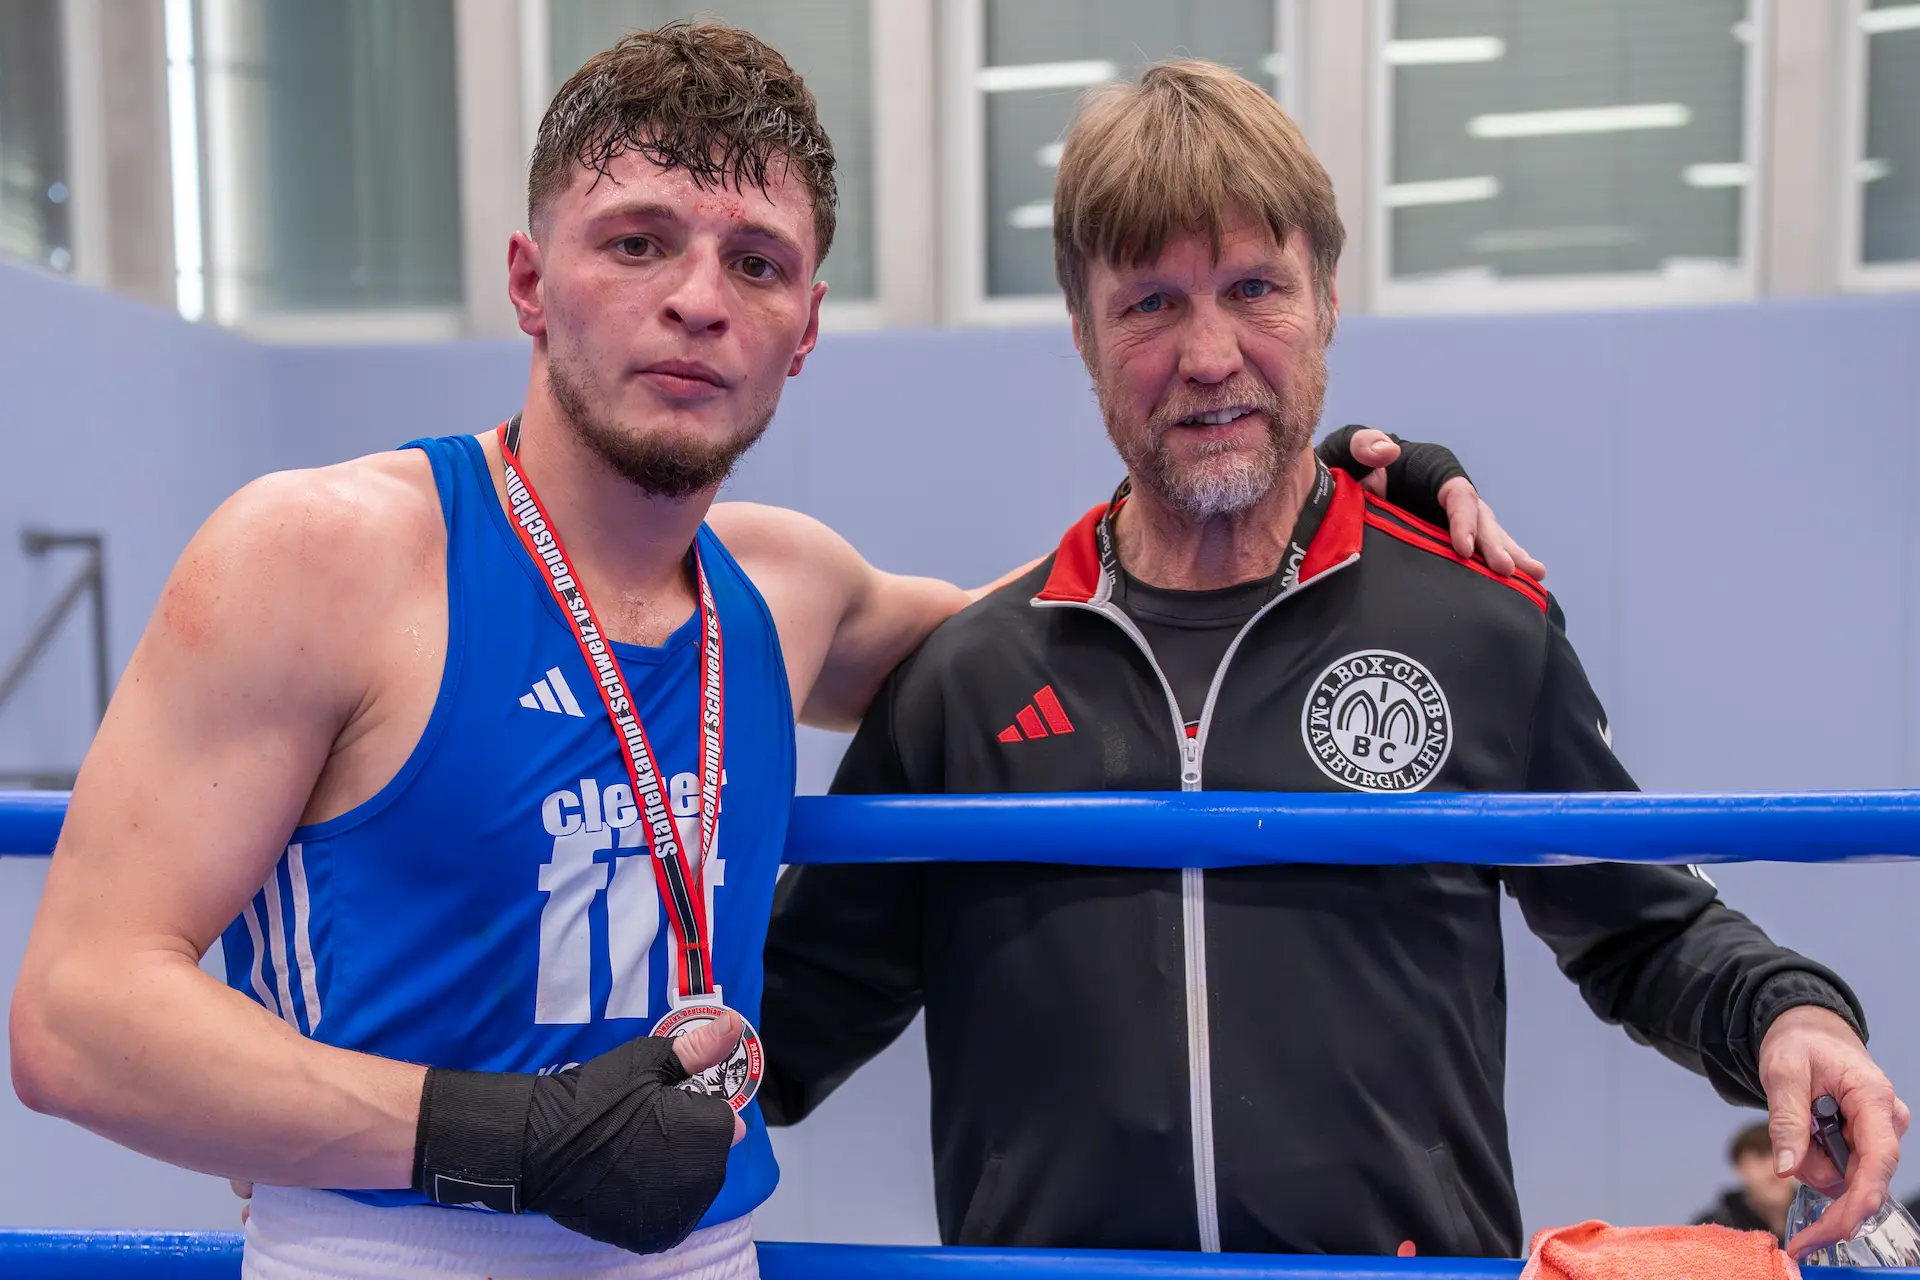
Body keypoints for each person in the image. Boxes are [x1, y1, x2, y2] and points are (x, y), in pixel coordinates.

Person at [5, 25, 1511, 1280]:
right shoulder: (324, 552)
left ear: (805, 329)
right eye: (639, 242)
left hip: (710, 1256)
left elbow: (1104, 617)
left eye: (757, 261)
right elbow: (76, 1015)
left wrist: (1329, 493)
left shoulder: (787, 593)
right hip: (394, 1250)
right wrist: (508, 1138)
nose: (698, 299)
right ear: (532, 282)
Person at [756, 59, 1908, 1264]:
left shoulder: (1472, 628)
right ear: (1086, 335)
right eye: (1150, 303)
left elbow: (1647, 923)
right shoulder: (970, 681)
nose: (1210, 354)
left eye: (1255, 287)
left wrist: (1790, 1012)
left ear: (1327, 300)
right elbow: (781, 1022)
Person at [1694, 1124, 1796, 1243]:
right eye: (1761, 1157)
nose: (1775, 1167)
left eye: (1783, 1156)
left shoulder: (1819, 1217)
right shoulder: (1709, 1229)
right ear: (1740, 1168)